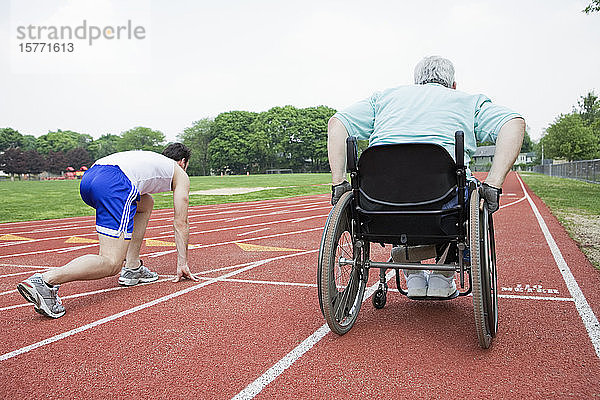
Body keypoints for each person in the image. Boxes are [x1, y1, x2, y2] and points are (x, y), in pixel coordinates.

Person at [328, 56, 525, 298]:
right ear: (453, 85)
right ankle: (443, 278)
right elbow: (514, 123)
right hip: (444, 205)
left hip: (378, 203)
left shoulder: (383, 99)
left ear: (415, 84)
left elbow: (337, 123)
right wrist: (493, 184)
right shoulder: (468, 100)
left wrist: (338, 182)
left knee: (401, 186)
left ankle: (414, 276)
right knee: (456, 192)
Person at [17, 143, 198, 318]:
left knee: (146, 202)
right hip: (115, 182)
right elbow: (181, 222)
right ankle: (46, 280)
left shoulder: (151, 159)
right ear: (183, 162)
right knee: (111, 262)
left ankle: (133, 267)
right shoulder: (179, 173)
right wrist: (183, 263)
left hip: (91, 177)